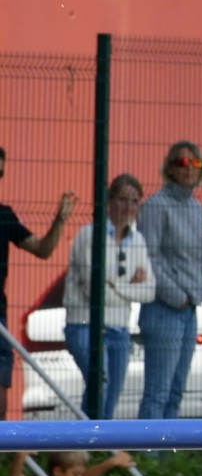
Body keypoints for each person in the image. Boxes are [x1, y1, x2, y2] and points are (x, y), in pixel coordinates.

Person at [137, 142, 202, 419]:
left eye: (195, 164)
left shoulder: (197, 208)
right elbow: (149, 258)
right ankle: (146, 458)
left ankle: (163, 462)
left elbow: (197, 263)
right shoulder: (156, 205)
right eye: (182, 163)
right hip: (165, 308)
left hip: (189, 310)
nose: (189, 169)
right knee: (157, 394)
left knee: (176, 393)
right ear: (170, 168)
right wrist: (178, 297)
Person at [61, 173, 151, 416]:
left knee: (111, 397)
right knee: (100, 384)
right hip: (85, 325)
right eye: (123, 199)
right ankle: (84, 445)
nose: (129, 207)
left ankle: (96, 447)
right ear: (110, 201)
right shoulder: (90, 235)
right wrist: (130, 287)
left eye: (134, 201)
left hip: (120, 327)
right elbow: (94, 292)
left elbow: (150, 291)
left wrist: (114, 285)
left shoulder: (138, 240)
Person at [0, 146, 72, 414]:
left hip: (0, 317)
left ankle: (2, 449)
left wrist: (60, 220)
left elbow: (43, 249)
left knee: (1, 384)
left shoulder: (4, 215)